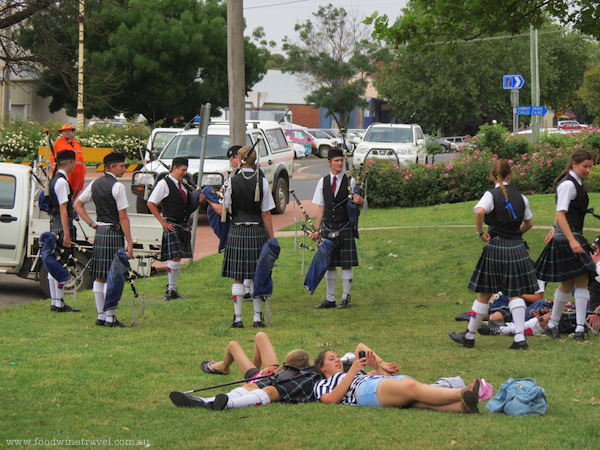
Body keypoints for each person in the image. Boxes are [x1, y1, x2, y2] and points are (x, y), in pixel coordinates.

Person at [449, 159, 538, 350]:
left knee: (484, 293)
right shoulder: (522, 197)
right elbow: (529, 224)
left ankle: (470, 335)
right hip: (517, 248)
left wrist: (481, 233)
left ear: (492, 176)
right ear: (510, 175)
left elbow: (480, 211)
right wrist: (515, 235)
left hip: (496, 247)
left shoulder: (490, 194)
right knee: (516, 293)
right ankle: (520, 338)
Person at [169, 332, 318, 410]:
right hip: (262, 374)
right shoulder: (277, 369)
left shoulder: (281, 372)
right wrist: (260, 369)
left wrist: (257, 373)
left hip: (258, 378)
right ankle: (220, 367)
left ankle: (220, 367)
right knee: (260, 335)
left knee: (233, 345)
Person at [313, 344, 480, 413]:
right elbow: (330, 400)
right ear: (322, 367)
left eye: (337, 357)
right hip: (363, 391)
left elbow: (360, 346)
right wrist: (353, 371)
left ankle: (462, 406)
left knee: (415, 399)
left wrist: (380, 365)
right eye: (331, 359)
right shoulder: (322, 383)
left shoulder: (354, 373)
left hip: (373, 386)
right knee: (412, 388)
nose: (337, 360)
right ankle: (462, 393)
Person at [535, 149, 595, 341]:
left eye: (590, 167)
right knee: (582, 280)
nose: (588, 170)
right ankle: (578, 328)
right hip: (569, 237)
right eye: (585, 166)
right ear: (574, 164)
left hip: (570, 234)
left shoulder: (576, 183)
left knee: (569, 283)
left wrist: (556, 229)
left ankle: (554, 324)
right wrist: (571, 239)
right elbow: (561, 212)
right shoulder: (568, 184)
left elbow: (562, 213)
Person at [74, 152, 133, 328]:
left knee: (100, 277)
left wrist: (92, 223)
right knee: (112, 276)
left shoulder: (95, 183)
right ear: (112, 167)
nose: (124, 168)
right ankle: (110, 317)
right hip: (113, 233)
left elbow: (77, 204)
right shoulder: (118, 187)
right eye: (122, 166)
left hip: (100, 232)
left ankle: (101, 316)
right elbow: (123, 217)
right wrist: (129, 242)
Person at [221, 146, 275, 328]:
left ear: (240, 159)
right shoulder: (262, 181)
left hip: (237, 230)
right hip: (257, 231)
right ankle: (257, 318)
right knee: (256, 276)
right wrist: (271, 237)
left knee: (238, 277)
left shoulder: (232, 180)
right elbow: (266, 213)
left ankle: (237, 319)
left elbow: (226, 205)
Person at [311, 148, 364, 310]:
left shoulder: (351, 181)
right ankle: (330, 299)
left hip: (344, 226)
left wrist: (361, 201)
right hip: (328, 226)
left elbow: (357, 205)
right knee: (330, 263)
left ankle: (346, 298)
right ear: (329, 163)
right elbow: (321, 207)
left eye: (341, 160)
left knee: (346, 264)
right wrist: (317, 229)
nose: (340, 163)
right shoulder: (323, 182)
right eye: (336, 161)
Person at [147, 157, 193, 301]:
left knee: (177, 257)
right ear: (174, 168)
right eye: (182, 170)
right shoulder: (164, 184)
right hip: (171, 224)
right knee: (174, 257)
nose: (184, 173)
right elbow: (151, 203)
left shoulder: (182, 184)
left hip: (182, 225)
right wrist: (162, 222)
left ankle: (173, 289)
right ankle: (170, 290)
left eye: (186, 170)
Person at [47, 149, 80, 313]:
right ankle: (58, 303)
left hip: (56, 225)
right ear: (69, 162)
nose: (74, 166)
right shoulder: (61, 182)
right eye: (74, 163)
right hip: (62, 225)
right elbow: (62, 209)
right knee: (61, 263)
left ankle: (56, 301)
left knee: (54, 263)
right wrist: (67, 233)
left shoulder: (55, 179)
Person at [51, 124, 86, 198]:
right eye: (65, 131)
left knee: (74, 194)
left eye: (69, 131)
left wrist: (84, 170)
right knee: (65, 193)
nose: (67, 133)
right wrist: (56, 173)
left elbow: (81, 158)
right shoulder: (57, 144)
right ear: (61, 133)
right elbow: (53, 160)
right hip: (66, 173)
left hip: (78, 174)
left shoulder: (76, 143)